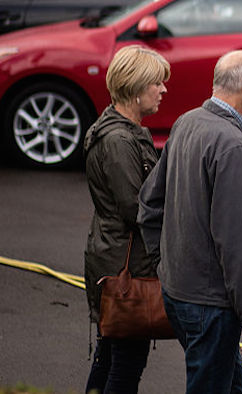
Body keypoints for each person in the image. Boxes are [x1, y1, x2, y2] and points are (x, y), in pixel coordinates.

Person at [138, 49, 242, 394]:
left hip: (177, 292)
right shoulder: (233, 145)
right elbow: (237, 241)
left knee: (229, 382)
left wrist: (164, 265)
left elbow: (150, 203)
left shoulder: (186, 122)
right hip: (210, 305)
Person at [83, 45, 170, 394]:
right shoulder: (119, 140)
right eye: (157, 84)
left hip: (114, 256)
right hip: (125, 267)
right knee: (126, 364)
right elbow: (134, 209)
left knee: (110, 354)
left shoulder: (122, 129)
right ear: (135, 88)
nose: (163, 90)